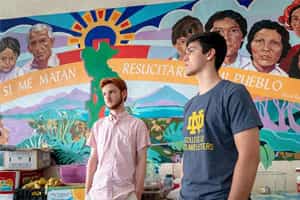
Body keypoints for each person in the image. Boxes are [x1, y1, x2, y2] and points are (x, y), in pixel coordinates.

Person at [180, 32, 262, 200]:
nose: (184, 58)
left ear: (209, 53)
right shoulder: (189, 105)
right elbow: (190, 154)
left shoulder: (233, 94)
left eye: (191, 51)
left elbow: (250, 156)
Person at [85, 77, 150, 200]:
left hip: (126, 194)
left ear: (123, 93)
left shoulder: (137, 125)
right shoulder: (98, 126)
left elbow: (142, 161)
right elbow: (93, 159)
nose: (107, 97)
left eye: (112, 92)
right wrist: (87, 192)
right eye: (104, 94)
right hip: (97, 194)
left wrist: (138, 193)